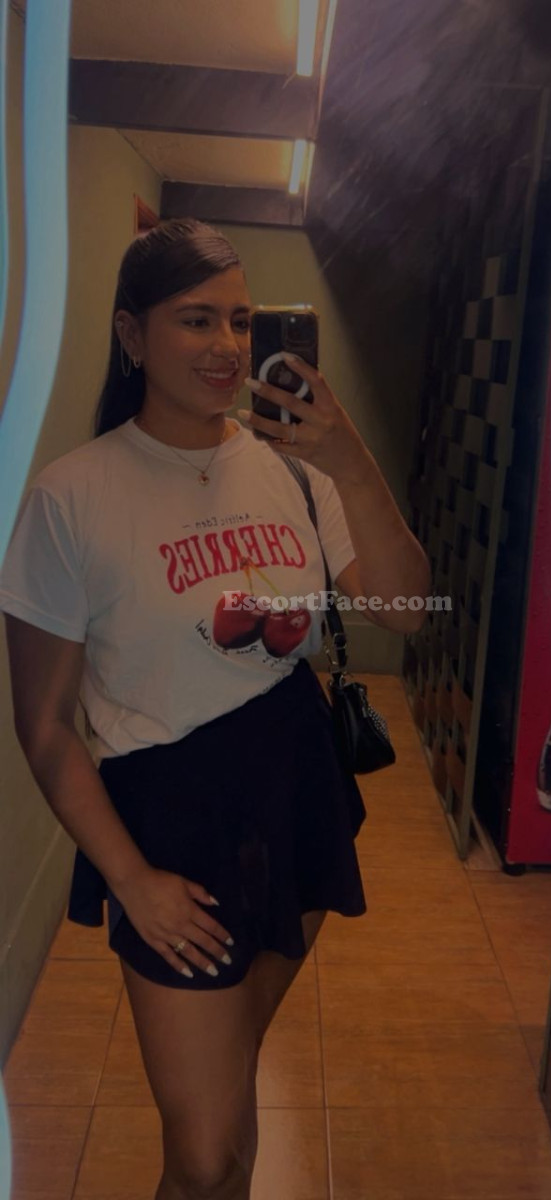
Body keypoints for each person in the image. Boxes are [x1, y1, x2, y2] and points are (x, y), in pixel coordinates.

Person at [0, 217, 430, 1200]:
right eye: (196, 320)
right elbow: (44, 728)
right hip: (170, 825)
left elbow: (407, 610)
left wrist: (349, 457)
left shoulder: (295, 471)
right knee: (200, 1153)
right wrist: (131, 882)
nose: (228, 346)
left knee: (227, 1118)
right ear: (132, 334)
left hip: (296, 788)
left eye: (240, 320)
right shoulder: (73, 498)